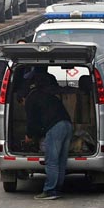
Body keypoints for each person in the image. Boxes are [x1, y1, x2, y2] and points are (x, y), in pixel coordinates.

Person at [24, 72, 73, 200]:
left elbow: (32, 121)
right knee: (61, 160)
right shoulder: (48, 96)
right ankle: (57, 188)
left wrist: (29, 135)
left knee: (52, 160)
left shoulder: (30, 99)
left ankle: (50, 190)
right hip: (67, 124)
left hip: (55, 127)